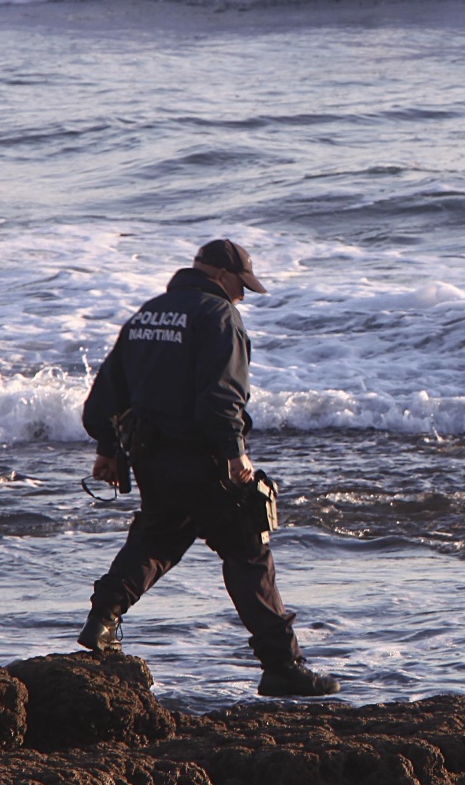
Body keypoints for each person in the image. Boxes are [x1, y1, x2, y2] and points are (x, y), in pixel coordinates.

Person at [78, 239, 340, 697]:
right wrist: (234, 450)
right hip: (205, 458)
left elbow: (108, 390)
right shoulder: (219, 316)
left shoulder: (148, 314)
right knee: (248, 553)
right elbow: (223, 394)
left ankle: (102, 620)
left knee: (156, 539)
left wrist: (109, 449)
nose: (242, 296)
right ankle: (283, 667)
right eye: (241, 285)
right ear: (221, 275)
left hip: (152, 459)